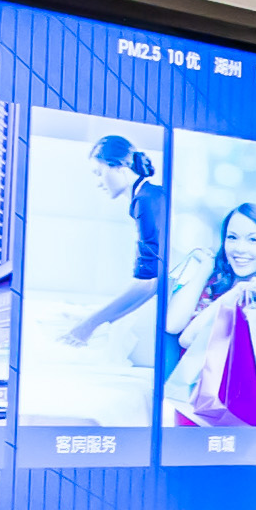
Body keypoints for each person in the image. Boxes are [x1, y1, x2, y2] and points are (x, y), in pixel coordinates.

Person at [162, 199, 256, 430]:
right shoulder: (214, 281)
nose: (240, 248)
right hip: (196, 402)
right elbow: (174, 326)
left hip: (249, 405)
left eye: (253, 240)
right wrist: (207, 270)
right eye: (232, 237)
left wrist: (243, 293)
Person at [49, 132, 160, 355]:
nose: (98, 183)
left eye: (99, 173)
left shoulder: (146, 202)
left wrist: (88, 325)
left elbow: (147, 284)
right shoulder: (147, 198)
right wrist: (90, 320)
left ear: (118, 166)